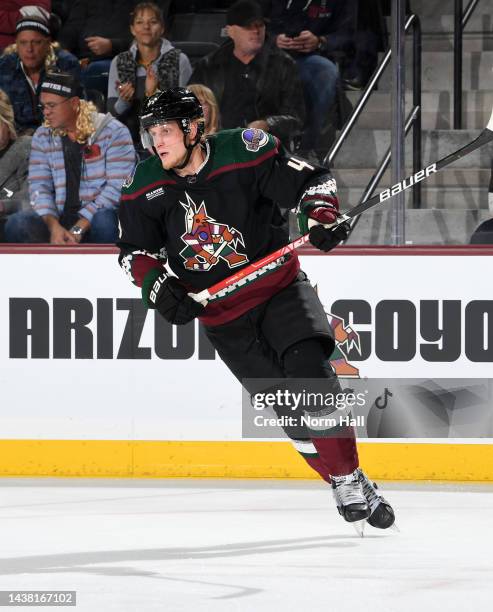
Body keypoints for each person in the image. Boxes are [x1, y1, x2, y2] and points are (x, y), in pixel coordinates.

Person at [116, 86, 395, 530]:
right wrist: (158, 287)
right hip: (224, 318)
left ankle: (344, 477)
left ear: (193, 129)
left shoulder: (246, 151)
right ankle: (350, 476)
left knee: (311, 374)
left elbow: (313, 181)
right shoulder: (144, 184)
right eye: (151, 134)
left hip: (279, 289)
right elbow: (134, 252)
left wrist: (320, 215)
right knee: (289, 411)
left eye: (165, 131)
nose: (157, 143)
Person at [4, 71, 136, 244]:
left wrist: (78, 228)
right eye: (43, 106)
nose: (46, 112)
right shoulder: (43, 135)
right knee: (18, 223)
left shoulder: (114, 132)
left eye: (51, 105)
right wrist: (54, 227)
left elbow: (117, 189)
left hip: (97, 218)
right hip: (59, 219)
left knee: (105, 220)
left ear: (74, 103)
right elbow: (38, 187)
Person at [189, 0, 305, 149]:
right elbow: (189, 111)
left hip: (266, 148)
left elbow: (297, 118)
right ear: (230, 31)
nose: (256, 31)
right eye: (248, 26)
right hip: (219, 147)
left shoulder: (284, 65)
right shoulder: (208, 66)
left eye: (260, 25)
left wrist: (267, 124)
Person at [266, 0, 357, 158]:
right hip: (269, 58)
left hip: (311, 59)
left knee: (325, 71)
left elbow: (348, 35)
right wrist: (274, 39)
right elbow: (248, 23)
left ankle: (307, 148)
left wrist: (321, 41)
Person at [107, 2, 192, 149]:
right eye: (140, 22)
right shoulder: (119, 62)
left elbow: (189, 109)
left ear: (162, 28)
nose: (146, 27)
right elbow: (111, 114)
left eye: (153, 22)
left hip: (170, 142)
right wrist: (124, 101)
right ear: (132, 29)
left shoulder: (179, 60)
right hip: (129, 143)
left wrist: (153, 94)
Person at [0, 14, 80, 134]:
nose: (29, 49)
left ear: (48, 43)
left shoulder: (66, 64)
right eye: (23, 43)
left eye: (36, 42)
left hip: (58, 135)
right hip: (16, 137)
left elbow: (76, 111)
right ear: (16, 43)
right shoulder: (4, 66)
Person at [58, 0, 141, 96]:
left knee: (95, 70)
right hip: (80, 59)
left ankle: (89, 108)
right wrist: (65, 49)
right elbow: (72, 27)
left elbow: (142, 38)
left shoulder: (135, 5)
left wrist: (111, 45)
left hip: (115, 58)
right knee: (59, 64)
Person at [0, 89, 31, 241]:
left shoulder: (25, 148)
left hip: (9, 224)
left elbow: (29, 199)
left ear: (7, 122)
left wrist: (2, 205)